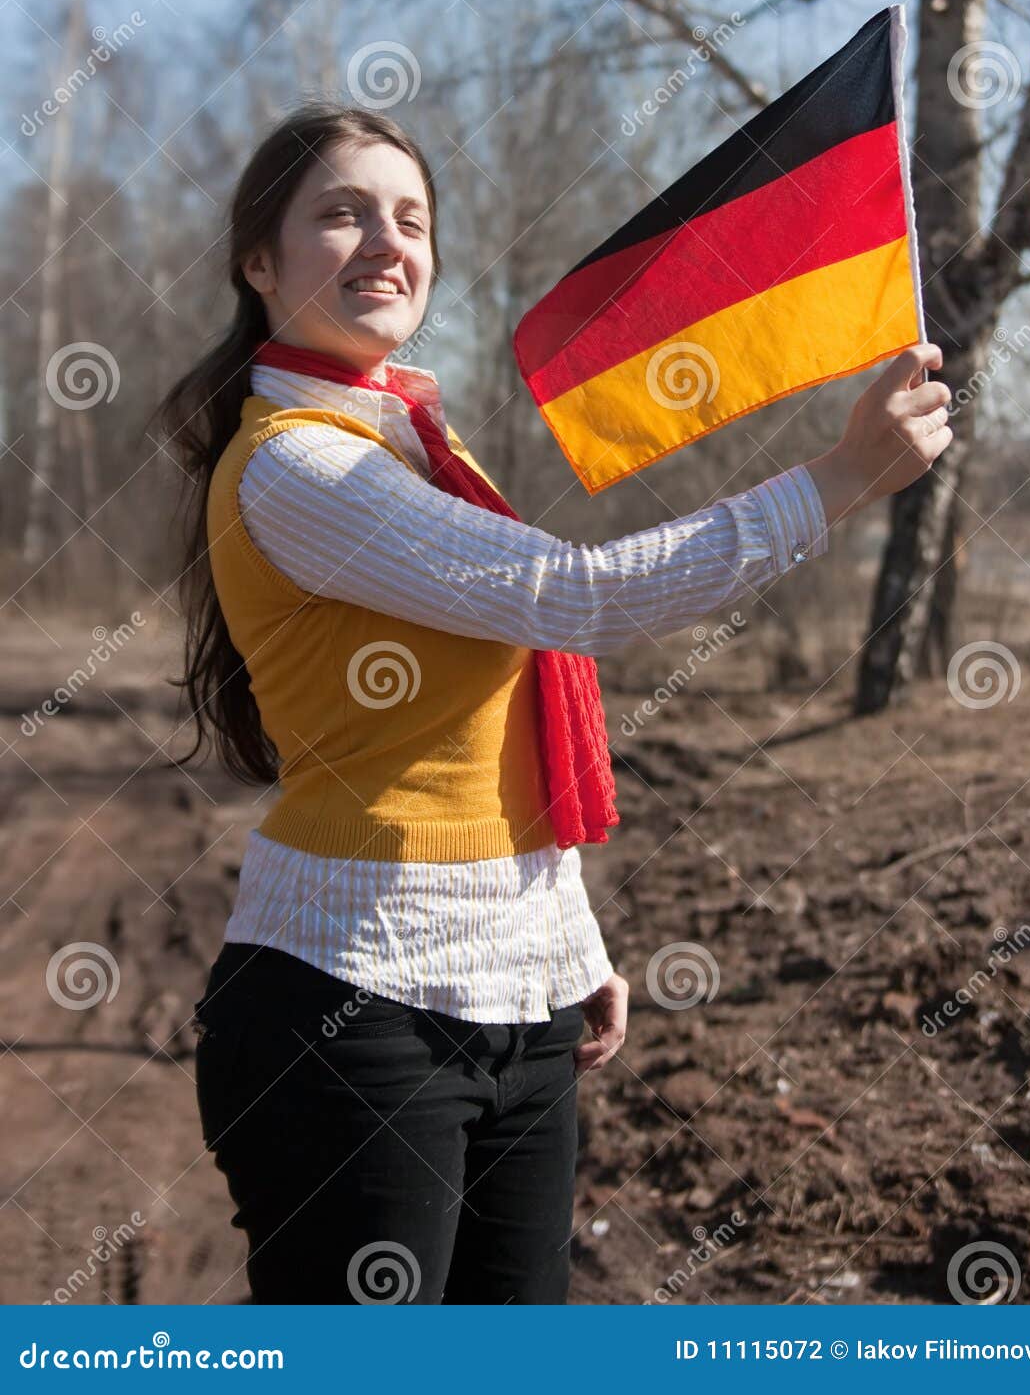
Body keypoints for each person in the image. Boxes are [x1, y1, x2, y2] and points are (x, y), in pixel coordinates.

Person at [159, 101, 951, 1306]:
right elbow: (568, 598)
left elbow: (501, 717)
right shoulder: (299, 462)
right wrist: (837, 481)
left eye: (411, 219)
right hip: (349, 1007)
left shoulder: (418, 442)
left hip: (517, 1006)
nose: (388, 242)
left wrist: (558, 935)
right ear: (256, 262)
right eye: (342, 213)